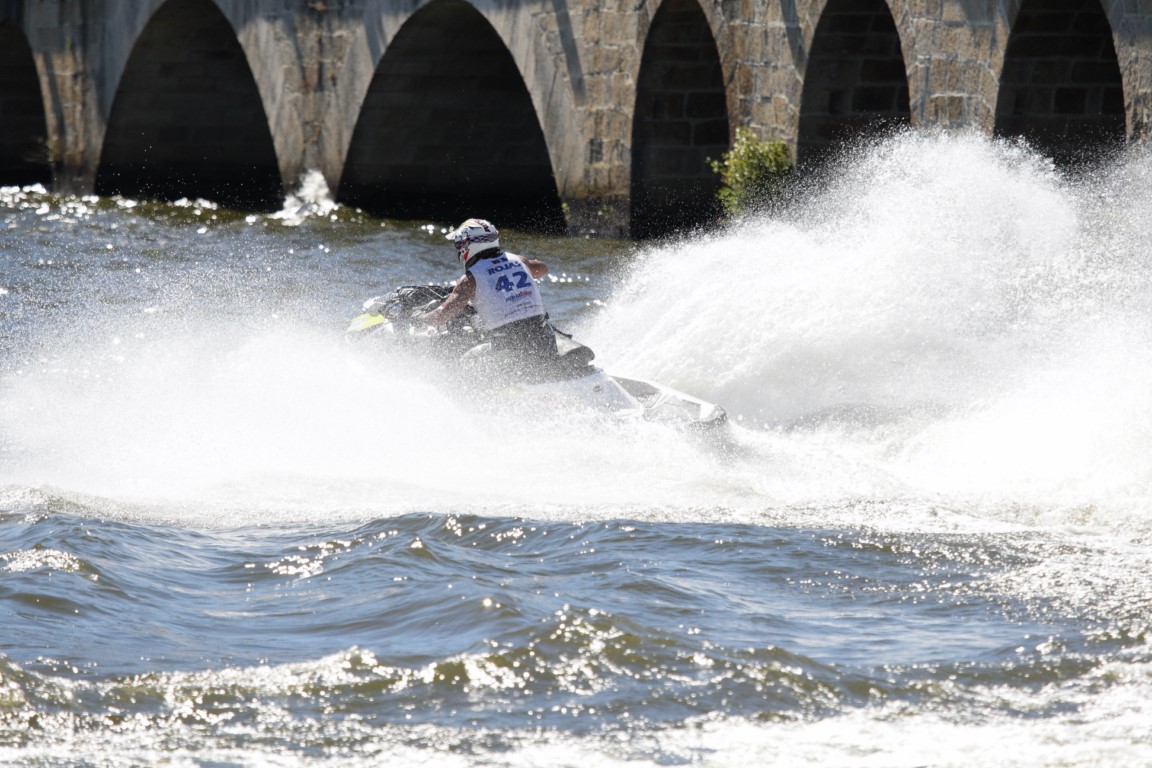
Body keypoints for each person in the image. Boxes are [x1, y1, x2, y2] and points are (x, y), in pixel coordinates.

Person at [418, 218, 558, 376]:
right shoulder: (520, 261)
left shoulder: (470, 279)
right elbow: (543, 268)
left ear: (468, 245)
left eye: (458, 244)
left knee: (463, 361)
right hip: (546, 344)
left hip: (512, 353)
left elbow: (441, 316)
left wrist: (419, 318)